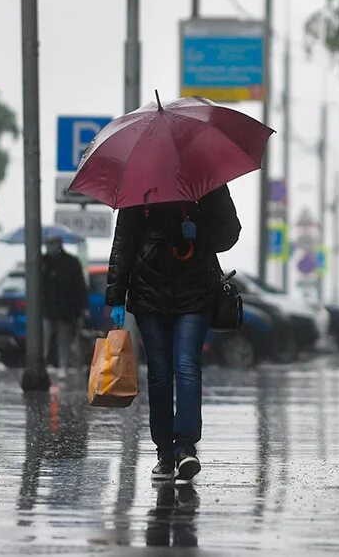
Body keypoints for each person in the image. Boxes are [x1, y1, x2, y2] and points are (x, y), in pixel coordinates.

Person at [105, 184, 241, 483]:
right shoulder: (139, 183)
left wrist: (198, 231)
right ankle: (165, 453)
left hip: (195, 292)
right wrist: (115, 296)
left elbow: (230, 231)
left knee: (187, 366)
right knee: (160, 373)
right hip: (149, 293)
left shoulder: (205, 181)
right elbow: (123, 242)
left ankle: (185, 448)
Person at [40, 234, 88, 372]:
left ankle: (63, 367)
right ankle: (43, 366)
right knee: (45, 339)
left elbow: (79, 287)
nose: (50, 246)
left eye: (52, 243)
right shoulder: (42, 262)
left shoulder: (71, 263)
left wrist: (81, 308)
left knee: (64, 341)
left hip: (66, 310)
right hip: (48, 309)